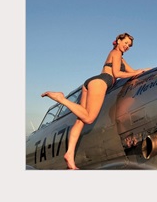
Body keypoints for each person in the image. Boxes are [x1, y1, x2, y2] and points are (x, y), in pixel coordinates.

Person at [41, 32, 150, 169]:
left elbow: (134, 71)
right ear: (118, 40)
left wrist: (147, 70)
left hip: (91, 82)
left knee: (80, 121)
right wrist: (136, 72)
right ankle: (61, 99)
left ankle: (69, 155)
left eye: (129, 45)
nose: (127, 46)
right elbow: (117, 74)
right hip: (101, 82)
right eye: (125, 43)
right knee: (89, 119)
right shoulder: (116, 53)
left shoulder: (119, 57)